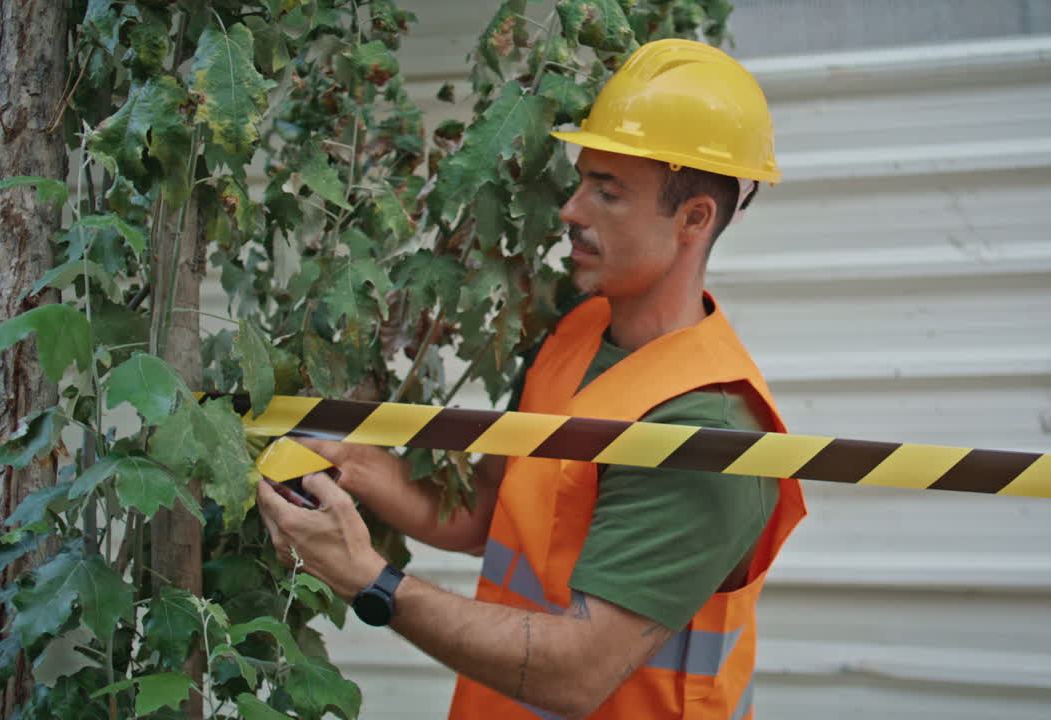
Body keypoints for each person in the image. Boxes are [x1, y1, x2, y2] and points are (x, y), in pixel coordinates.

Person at [257, 38, 806, 720]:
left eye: (607, 193)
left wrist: (367, 578)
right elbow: (487, 514)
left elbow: (576, 676)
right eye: (583, 182)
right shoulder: (578, 335)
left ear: (694, 218)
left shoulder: (705, 431)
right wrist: (357, 463)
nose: (572, 211)